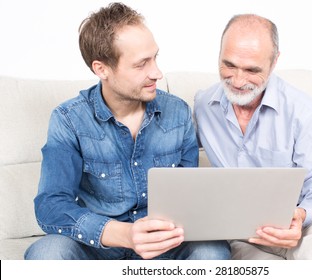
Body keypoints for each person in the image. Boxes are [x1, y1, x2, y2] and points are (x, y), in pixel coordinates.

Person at [24, 2, 230, 260]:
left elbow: (188, 198)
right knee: (47, 253)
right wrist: (125, 234)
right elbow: (51, 205)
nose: (157, 72)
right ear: (102, 69)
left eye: (155, 57)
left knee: (212, 250)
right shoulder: (69, 119)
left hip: (164, 244)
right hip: (99, 244)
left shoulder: (177, 112)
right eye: (141, 64)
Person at [194, 14, 312, 260]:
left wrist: (300, 216)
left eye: (251, 70)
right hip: (243, 237)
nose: (237, 81)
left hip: (302, 228)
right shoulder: (203, 106)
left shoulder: (304, 112)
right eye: (229, 65)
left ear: (274, 61)